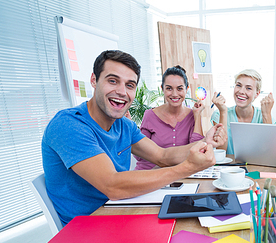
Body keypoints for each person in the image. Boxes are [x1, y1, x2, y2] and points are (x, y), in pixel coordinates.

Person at [42, 50, 226, 226]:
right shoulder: (68, 125)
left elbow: (162, 156)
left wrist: (206, 141)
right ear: (94, 80)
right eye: (113, 81)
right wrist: (187, 168)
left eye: (129, 85)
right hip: (87, 227)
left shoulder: (124, 125)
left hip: (121, 211)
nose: (122, 92)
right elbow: (113, 186)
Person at [135, 66, 204, 170]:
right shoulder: (150, 115)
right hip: (149, 173)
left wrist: (197, 115)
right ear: (162, 88)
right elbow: (139, 156)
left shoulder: (192, 115)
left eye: (180, 88)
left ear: (187, 89)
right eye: (169, 88)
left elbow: (196, 150)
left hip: (180, 175)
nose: (174, 94)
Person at [210, 69, 274, 154]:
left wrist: (266, 115)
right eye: (238, 85)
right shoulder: (219, 114)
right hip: (229, 166)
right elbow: (221, 152)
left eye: (248, 88)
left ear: (257, 94)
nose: (241, 91)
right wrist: (223, 112)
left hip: (256, 166)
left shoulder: (263, 115)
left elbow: (270, 152)